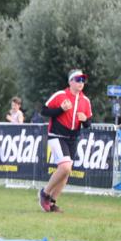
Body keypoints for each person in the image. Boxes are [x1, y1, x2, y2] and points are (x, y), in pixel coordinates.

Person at [38, 69, 92, 212]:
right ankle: (45, 193)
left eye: (83, 80)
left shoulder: (85, 101)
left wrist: (85, 120)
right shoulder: (61, 95)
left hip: (72, 138)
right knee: (65, 167)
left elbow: (88, 124)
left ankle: (52, 203)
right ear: (70, 82)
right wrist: (61, 109)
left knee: (66, 172)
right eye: (78, 79)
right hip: (57, 135)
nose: (81, 82)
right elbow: (43, 111)